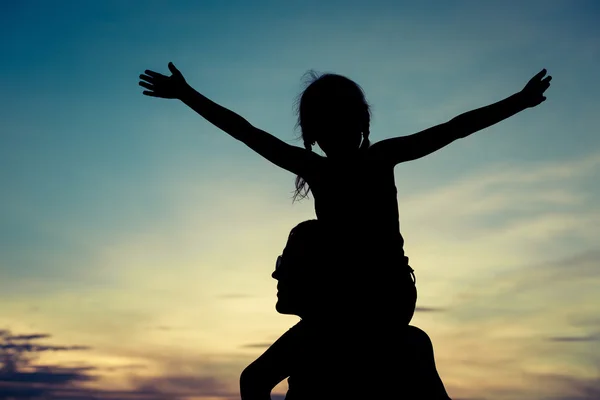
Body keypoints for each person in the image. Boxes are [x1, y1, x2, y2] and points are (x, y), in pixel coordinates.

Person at [138, 63, 552, 325]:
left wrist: (519, 101)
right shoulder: (322, 167)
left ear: (360, 124)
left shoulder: (377, 158)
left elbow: (456, 127)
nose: (334, 129)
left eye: (341, 119)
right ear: (314, 133)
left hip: (384, 293)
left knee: (307, 239)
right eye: (324, 122)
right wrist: (187, 95)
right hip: (351, 290)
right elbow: (247, 133)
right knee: (308, 234)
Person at [239, 219, 452, 399]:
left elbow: (252, 381)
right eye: (280, 262)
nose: (276, 274)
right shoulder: (413, 342)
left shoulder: (315, 339)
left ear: (320, 274)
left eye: (287, 263)